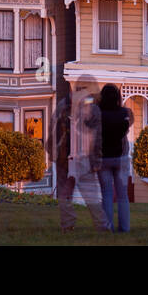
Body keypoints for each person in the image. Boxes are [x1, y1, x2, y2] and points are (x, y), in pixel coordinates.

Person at [55, 78, 109, 232]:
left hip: (77, 159)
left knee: (68, 195)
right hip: (73, 159)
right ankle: (98, 226)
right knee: (86, 196)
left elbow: (96, 137)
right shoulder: (88, 109)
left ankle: (70, 225)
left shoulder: (69, 107)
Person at [95, 83, 133, 232]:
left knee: (107, 194)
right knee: (123, 196)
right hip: (121, 158)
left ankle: (107, 227)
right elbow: (127, 125)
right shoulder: (124, 113)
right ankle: (124, 228)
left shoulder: (97, 114)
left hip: (103, 158)